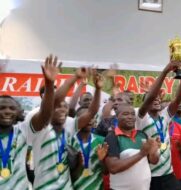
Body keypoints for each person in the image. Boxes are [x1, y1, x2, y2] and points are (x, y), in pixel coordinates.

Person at [0, 55, 58, 190]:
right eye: (2, 108)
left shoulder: (23, 130)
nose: (7, 111)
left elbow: (44, 115)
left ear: (17, 113)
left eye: (11, 108)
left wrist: (49, 84)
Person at [137, 61, 181, 190]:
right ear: (146, 102)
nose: (157, 99)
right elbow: (151, 96)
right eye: (152, 98)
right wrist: (165, 71)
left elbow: (178, 99)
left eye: (158, 98)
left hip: (168, 175)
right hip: (150, 176)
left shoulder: (164, 116)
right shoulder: (141, 118)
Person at [104, 103, 159, 190]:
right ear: (117, 117)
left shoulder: (142, 135)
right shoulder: (112, 137)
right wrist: (141, 154)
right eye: (125, 114)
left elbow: (153, 161)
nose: (130, 117)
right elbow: (113, 168)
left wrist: (153, 152)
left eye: (133, 114)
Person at [70, 106, 109, 190]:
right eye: (85, 117)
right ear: (77, 120)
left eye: (91, 117)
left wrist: (102, 160)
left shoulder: (101, 141)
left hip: (97, 187)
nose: (89, 120)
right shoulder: (70, 142)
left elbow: (106, 171)